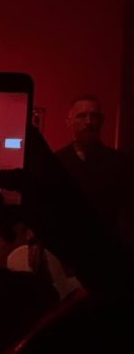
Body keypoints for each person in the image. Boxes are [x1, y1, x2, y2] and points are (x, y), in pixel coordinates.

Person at [53, 94, 134, 250]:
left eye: (94, 116)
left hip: (109, 250)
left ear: (101, 121)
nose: (89, 121)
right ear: (69, 121)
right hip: (67, 248)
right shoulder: (56, 162)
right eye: (82, 116)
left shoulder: (120, 163)